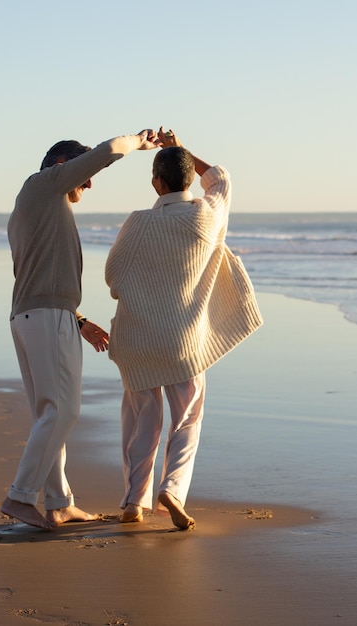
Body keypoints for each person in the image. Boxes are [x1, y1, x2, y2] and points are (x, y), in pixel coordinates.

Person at [105, 127, 263, 530]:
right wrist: (180, 149)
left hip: (138, 341)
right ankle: (172, 490)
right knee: (187, 419)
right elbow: (222, 180)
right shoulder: (207, 216)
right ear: (190, 177)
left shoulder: (138, 223)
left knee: (142, 421)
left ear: (156, 183)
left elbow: (114, 278)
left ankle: (132, 501)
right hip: (184, 342)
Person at [1, 129, 159, 530]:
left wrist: (79, 321)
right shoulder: (43, 186)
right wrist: (137, 143)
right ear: (61, 168)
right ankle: (21, 496)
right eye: (82, 175)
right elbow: (105, 153)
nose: (88, 183)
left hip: (38, 316)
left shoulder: (40, 204)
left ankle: (58, 502)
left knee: (49, 414)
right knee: (63, 410)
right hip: (44, 317)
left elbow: (44, 277)